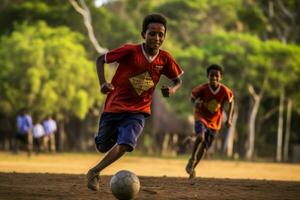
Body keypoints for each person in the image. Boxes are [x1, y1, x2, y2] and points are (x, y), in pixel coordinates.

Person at [87, 13, 183, 191]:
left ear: (164, 36)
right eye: (152, 33)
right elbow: (101, 59)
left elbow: (178, 80)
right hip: (115, 106)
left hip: (138, 111)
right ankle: (111, 136)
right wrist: (102, 83)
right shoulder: (130, 51)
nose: (157, 38)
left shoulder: (165, 59)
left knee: (126, 143)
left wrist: (172, 89)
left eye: (161, 34)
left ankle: (94, 171)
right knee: (102, 146)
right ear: (143, 35)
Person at [185, 64, 234, 179]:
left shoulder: (224, 91)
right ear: (207, 76)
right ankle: (192, 158)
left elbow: (231, 101)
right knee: (201, 137)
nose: (214, 78)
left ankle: (192, 168)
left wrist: (230, 118)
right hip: (200, 116)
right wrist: (195, 103)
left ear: (220, 77)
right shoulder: (202, 88)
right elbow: (192, 98)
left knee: (204, 148)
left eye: (216, 76)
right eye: (211, 76)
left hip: (215, 123)